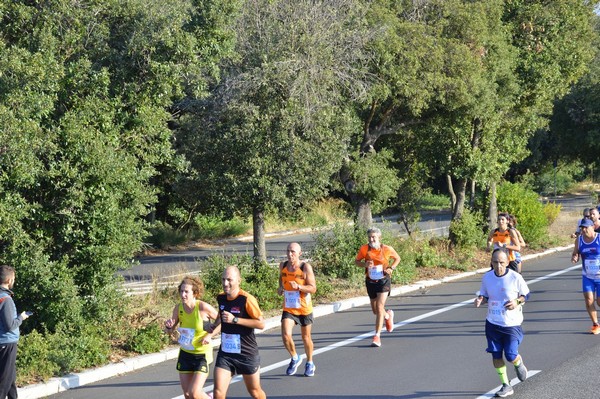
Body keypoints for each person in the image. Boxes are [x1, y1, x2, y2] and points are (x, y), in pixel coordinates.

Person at [475, 249, 530, 398]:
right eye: (495, 262)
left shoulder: (515, 277)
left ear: (507, 262)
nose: (498, 266)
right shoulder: (487, 277)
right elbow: (485, 295)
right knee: (496, 355)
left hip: (511, 324)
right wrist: (481, 300)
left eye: (501, 263)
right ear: (491, 262)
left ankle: (518, 363)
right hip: (492, 323)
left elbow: (526, 295)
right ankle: (506, 385)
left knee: (511, 355)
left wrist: (516, 301)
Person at [210, 266, 266, 399]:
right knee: (218, 392)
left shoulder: (247, 299)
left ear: (238, 281)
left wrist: (235, 319)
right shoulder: (221, 298)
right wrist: (213, 326)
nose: (225, 283)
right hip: (226, 354)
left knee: (255, 391)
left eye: (229, 280)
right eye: (223, 279)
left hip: (246, 354)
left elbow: (261, 324)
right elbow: (221, 315)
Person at [164, 276, 219, 399]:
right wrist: (169, 328)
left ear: (195, 293)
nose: (183, 294)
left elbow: (222, 321)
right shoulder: (178, 309)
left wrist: (210, 335)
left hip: (202, 354)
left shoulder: (203, 308)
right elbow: (170, 331)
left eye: (186, 292)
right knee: (188, 394)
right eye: (181, 291)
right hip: (185, 353)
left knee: (195, 393)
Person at [355, 227, 400, 347]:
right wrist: (365, 264)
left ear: (379, 237)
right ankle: (387, 315)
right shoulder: (364, 249)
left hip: (383, 280)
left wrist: (391, 268)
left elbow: (397, 258)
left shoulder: (386, 249)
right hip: (370, 281)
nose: (371, 239)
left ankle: (377, 336)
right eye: (369, 237)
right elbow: (357, 261)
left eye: (373, 237)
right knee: (376, 311)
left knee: (380, 306)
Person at [277, 242, 317, 377]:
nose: (290, 254)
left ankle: (310, 362)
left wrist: (299, 287)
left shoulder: (305, 267)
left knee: (306, 338)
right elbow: (281, 279)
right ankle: (295, 357)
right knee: (285, 334)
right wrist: (280, 288)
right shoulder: (283, 266)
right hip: (289, 307)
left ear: (299, 254)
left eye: (293, 252)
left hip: (304, 308)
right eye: (288, 251)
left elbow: (313, 288)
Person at [0, 265, 32, 399]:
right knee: (4, 381)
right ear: (8, 280)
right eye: (13, 278)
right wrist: (21, 317)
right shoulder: (6, 299)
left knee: (10, 378)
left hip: (3, 342)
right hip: (7, 343)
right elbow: (10, 325)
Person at [571, 217, 600, 334]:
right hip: (587, 276)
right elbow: (575, 253)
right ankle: (596, 324)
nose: (583, 230)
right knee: (589, 300)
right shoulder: (579, 240)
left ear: (592, 227)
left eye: (585, 228)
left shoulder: (599, 238)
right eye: (582, 228)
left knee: (599, 302)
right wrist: (575, 257)